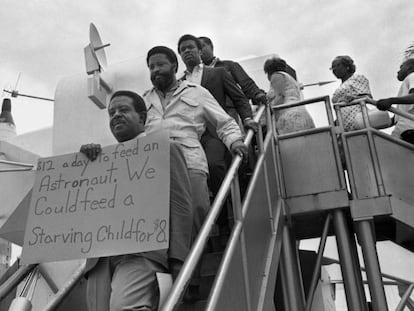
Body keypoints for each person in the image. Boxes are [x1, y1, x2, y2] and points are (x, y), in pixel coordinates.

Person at [81, 90, 193, 311]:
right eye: (111, 112)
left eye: (124, 110)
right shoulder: (100, 160)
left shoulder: (165, 150)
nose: (116, 115)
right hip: (101, 260)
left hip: (142, 253)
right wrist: (84, 165)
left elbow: (181, 205)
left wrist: (179, 259)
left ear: (142, 118)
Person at [144, 45, 247, 237]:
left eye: (160, 64)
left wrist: (235, 141)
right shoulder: (144, 100)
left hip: (189, 163)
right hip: (154, 168)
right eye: (151, 67)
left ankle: (195, 262)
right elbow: (133, 135)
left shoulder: (196, 92)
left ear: (174, 66)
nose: (155, 70)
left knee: (195, 214)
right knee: (160, 222)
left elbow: (223, 122)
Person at [177, 34, 256, 198]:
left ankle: (228, 209)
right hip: (191, 137)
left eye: (190, 47)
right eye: (183, 50)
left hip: (216, 132)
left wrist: (247, 118)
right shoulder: (179, 84)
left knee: (214, 165)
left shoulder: (218, 73)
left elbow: (239, 98)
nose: (187, 51)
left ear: (199, 50)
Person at [198, 36, 267, 106]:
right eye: (198, 49)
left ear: (211, 47)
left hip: (229, 110)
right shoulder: (198, 73)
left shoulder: (229, 65)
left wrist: (257, 94)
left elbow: (246, 83)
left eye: (202, 46)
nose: (200, 51)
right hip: (209, 110)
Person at [263, 56, 315, 134]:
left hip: (288, 115)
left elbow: (280, 96)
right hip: (299, 112)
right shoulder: (289, 79)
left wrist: (268, 113)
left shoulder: (276, 76)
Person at [376, 58, 414, 144]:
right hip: (404, 129)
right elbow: (398, 117)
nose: (398, 71)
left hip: (409, 130)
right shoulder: (406, 84)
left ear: (410, 68)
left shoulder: (412, 76)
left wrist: (390, 101)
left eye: (401, 67)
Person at [331, 55, 372, 131]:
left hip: (358, 122)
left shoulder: (357, 78)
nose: (334, 69)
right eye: (332, 68)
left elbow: (367, 97)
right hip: (344, 125)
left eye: (337, 65)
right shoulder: (340, 87)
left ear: (347, 66)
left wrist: (353, 97)